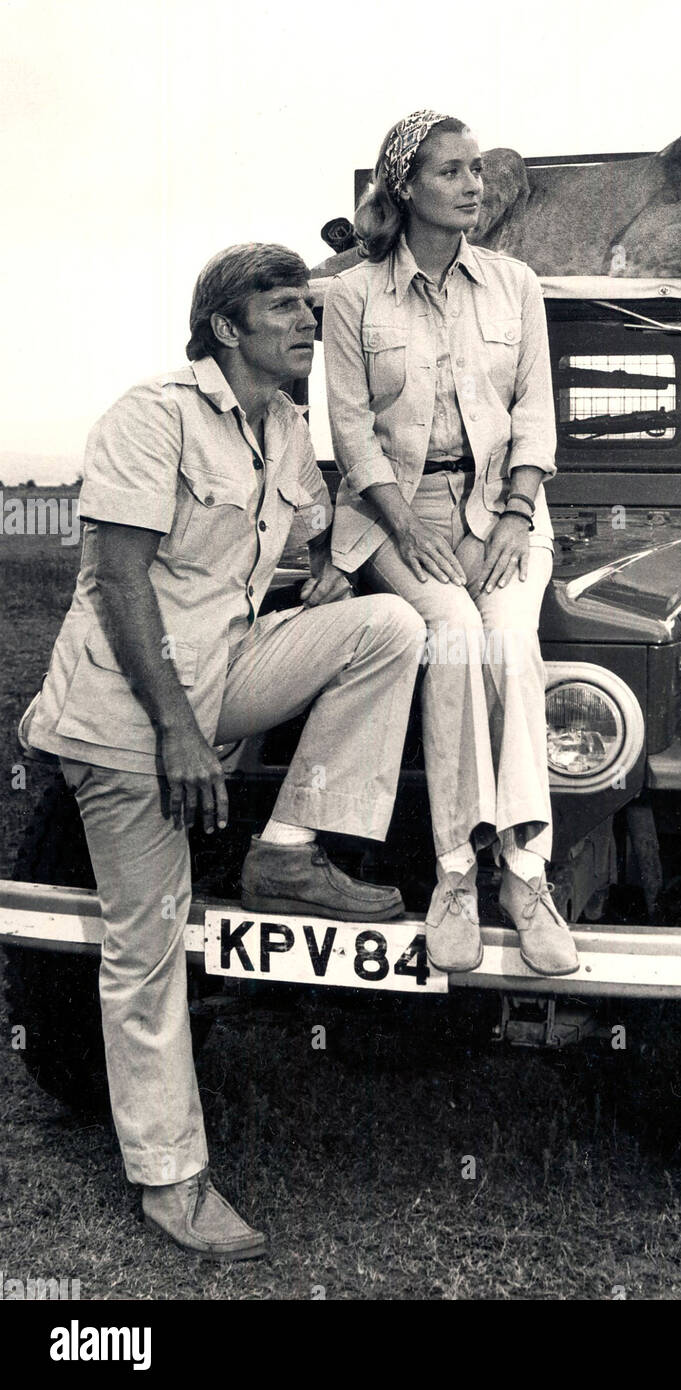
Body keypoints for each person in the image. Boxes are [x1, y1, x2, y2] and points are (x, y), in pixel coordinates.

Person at [19, 243, 426, 1260]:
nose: (306, 319)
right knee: (147, 945)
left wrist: (332, 571)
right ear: (223, 327)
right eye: (282, 305)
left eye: (310, 303)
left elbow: (301, 538)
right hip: (127, 714)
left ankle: (287, 847)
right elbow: (119, 585)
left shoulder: (285, 426)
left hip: (225, 675)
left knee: (389, 629)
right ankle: (172, 1178)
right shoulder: (152, 414)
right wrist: (178, 735)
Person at [322, 111, 579, 979]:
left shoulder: (515, 284)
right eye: (451, 171)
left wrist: (513, 513)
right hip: (396, 514)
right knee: (454, 637)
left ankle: (527, 876)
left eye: (476, 169)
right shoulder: (353, 295)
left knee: (509, 639)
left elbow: (537, 413)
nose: (475, 184)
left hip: (503, 503)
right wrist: (407, 528)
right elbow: (352, 433)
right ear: (405, 189)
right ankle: (456, 874)